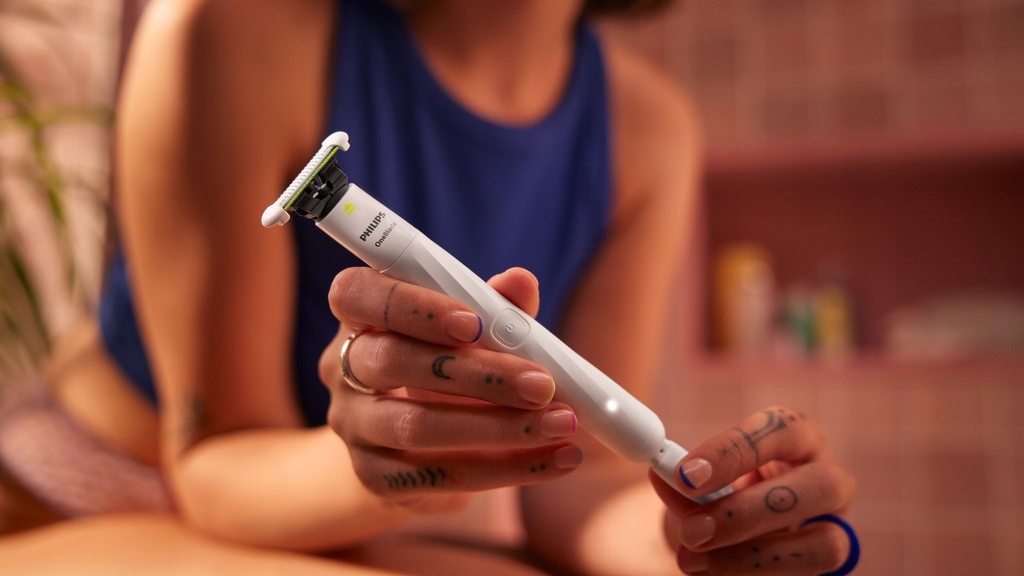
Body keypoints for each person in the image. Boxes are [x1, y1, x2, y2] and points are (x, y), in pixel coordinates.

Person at [0, 0, 858, 574]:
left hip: (336, 533)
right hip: (78, 497)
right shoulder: (235, 27)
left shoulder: (650, 129)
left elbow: (586, 478)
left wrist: (702, 535)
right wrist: (389, 463)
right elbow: (215, 467)